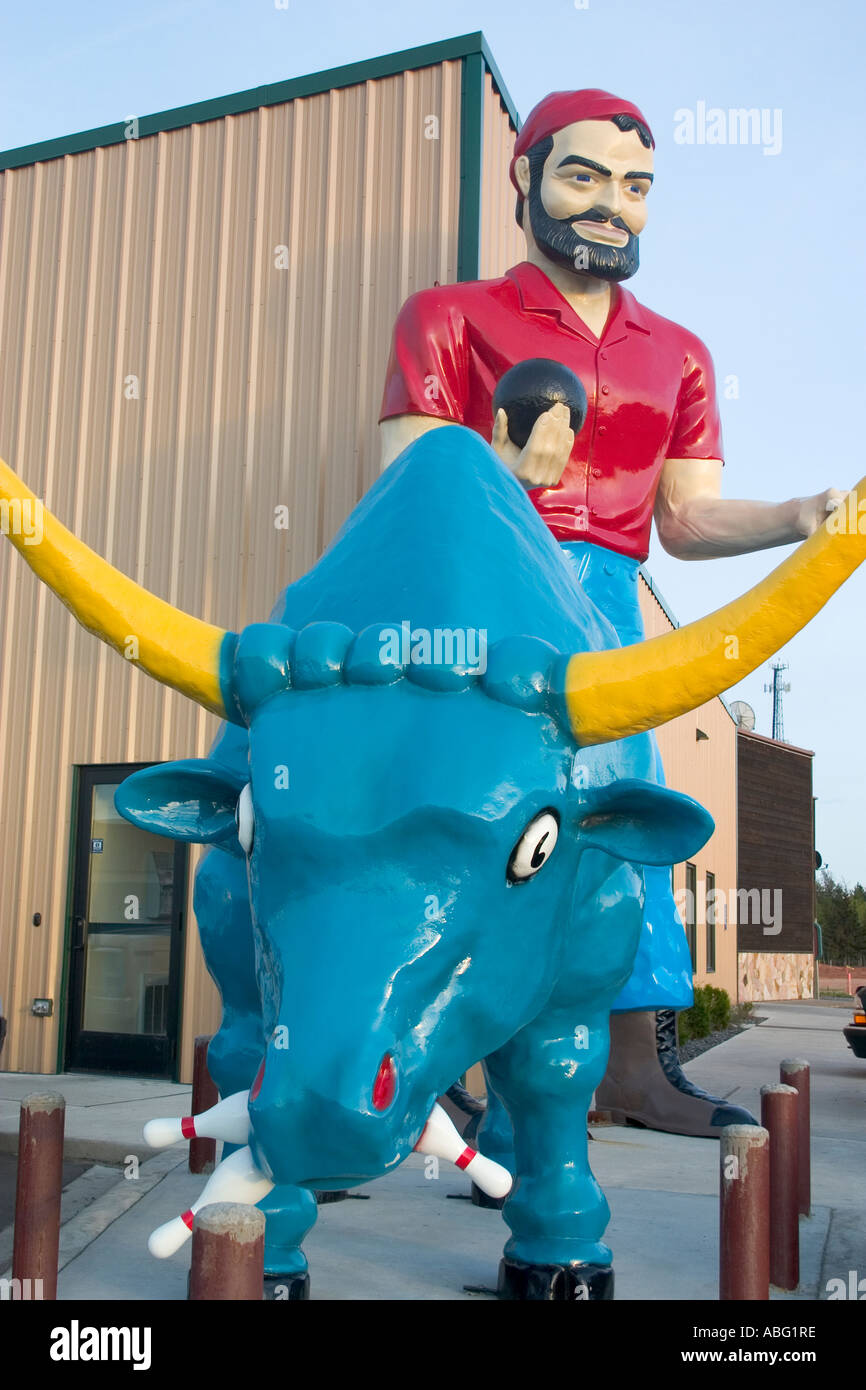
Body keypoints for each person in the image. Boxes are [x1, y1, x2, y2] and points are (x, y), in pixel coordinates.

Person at [377, 89, 842, 1137]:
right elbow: (399, 496)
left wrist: (797, 516)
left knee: (626, 806)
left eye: (634, 186)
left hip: (602, 604)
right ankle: (441, 1066)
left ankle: (631, 1065)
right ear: (522, 174)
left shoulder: (673, 352)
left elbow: (683, 516)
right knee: (469, 814)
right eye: (582, 175)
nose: (610, 206)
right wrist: (497, 475)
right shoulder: (446, 317)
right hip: (477, 596)